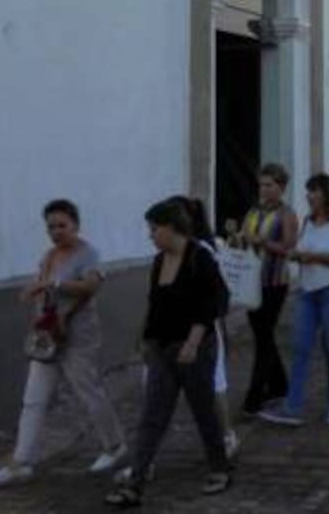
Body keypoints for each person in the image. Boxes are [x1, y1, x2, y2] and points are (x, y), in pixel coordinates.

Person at [0, 199, 127, 488]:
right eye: (51, 227)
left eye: (62, 225)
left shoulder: (87, 254)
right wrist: (34, 296)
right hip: (47, 336)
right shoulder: (49, 256)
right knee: (33, 399)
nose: (56, 232)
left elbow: (90, 286)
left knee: (88, 393)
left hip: (78, 335)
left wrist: (54, 285)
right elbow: (41, 288)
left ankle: (114, 445)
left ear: (75, 225)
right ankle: (21, 462)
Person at [104, 198, 230, 508]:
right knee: (152, 416)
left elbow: (211, 304)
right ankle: (135, 484)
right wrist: (145, 340)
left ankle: (220, 468)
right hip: (162, 348)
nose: (150, 235)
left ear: (172, 228)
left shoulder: (200, 257)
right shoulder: (160, 260)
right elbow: (156, 304)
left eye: (154, 229)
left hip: (195, 349)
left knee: (204, 411)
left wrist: (192, 343)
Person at [260, 173, 329, 427]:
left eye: (314, 191)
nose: (309, 196)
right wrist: (295, 255)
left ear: (327, 194)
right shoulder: (307, 221)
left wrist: (313, 257)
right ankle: (293, 406)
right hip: (307, 292)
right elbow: (301, 249)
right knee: (300, 348)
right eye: (308, 191)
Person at [236, 163, 300, 417]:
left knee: (264, 337)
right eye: (261, 185)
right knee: (263, 336)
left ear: (281, 187)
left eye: (269, 185)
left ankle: (254, 397)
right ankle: (279, 385)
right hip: (252, 281)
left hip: (274, 281)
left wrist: (263, 242)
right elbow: (243, 236)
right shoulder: (253, 211)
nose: (264, 190)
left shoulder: (287, 214)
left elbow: (288, 248)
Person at [182, 196, 240, 459]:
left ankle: (226, 435)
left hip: (203, 324)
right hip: (178, 327)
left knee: (215, 382)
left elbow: (216, 293)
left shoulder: (204, 249)